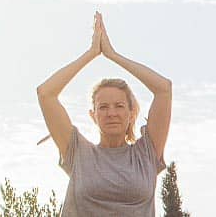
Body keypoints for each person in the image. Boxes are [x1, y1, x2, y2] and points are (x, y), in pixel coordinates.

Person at [37, 12, 173, 216]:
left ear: (131, 112)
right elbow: (46, 93)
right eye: (103, 107)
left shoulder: (146, 153)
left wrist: (113, 55)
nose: (111, 113)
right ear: (93, 115)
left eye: (119, 106)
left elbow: (164, 89)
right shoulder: (78, 152)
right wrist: (92, 53)